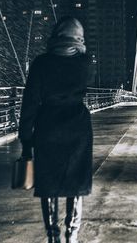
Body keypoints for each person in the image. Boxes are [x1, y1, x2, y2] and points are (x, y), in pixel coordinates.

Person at [19, 17, 92, 243]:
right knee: (76, 184)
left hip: (47, 128)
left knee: (48, 184)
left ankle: (53, 236)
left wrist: (26, 137)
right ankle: (72, 234)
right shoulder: (85, 63)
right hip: (78, 129)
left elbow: (29, 102)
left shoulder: (41, 64)